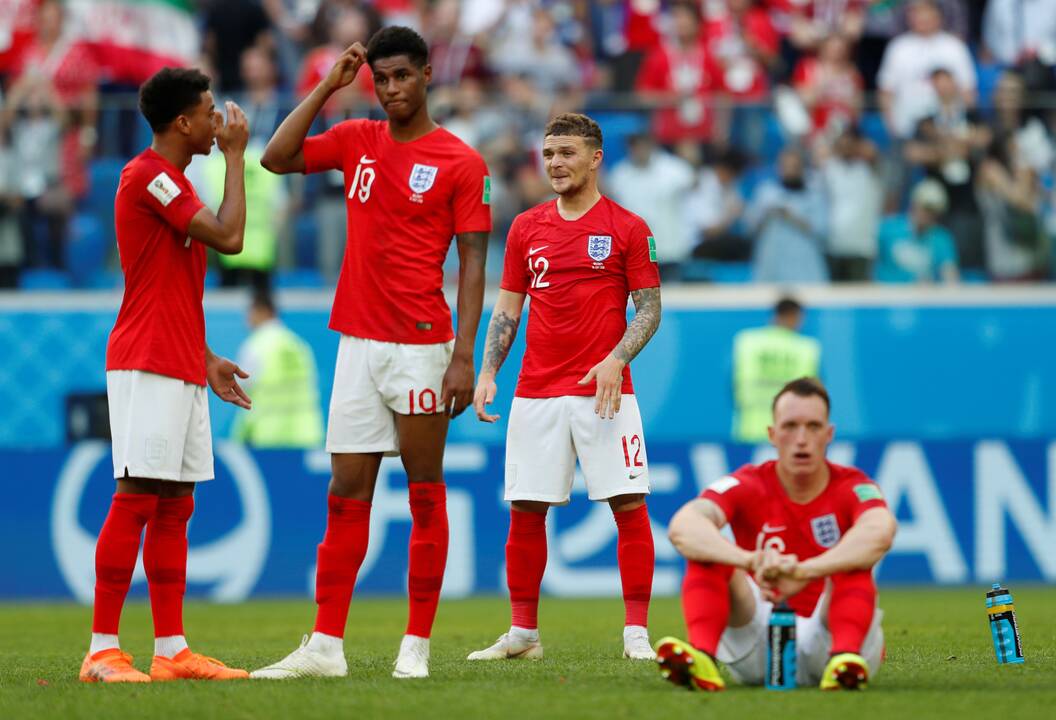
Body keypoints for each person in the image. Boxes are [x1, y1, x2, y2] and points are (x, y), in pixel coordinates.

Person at [251, 26, 491, 680]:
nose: (389, 90)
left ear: (425, 76)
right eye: (379, 79)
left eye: (401, 77)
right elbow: (274, 157)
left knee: (423, 492)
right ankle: (325, 645)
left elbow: (473, 264)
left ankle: (415, 644)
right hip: (358, 343)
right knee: (345, 493)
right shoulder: (357, 138)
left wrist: (464, 353)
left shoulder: (462, 163)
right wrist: (328, 86)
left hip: (421, 347)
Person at [466, 112, 662, 663]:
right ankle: (523, 634)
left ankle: (636, 634)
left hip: (607, 394)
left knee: (628, 505)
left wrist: (615, 358)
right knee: (526, 510)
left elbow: (649, 310)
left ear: (595, 158)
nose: (555, 163)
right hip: (537, 392)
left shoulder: (629, 227)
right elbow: (508, 306)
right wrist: (488, 373)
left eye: (567, 153)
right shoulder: (527, 227)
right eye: (549, 153)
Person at [80, 67, 253, 683]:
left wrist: (205, 359)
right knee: (136, 499)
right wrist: (237, 157)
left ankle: (172, 651)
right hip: (145, 359)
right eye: (208, 113)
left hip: (179, 360)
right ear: (183, 122)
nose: (217, 122)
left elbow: (171, 287)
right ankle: (101, 650)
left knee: (176, 504)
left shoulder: (173, 183)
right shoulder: (146, 174)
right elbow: (232, 236)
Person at [655, 377, 897, 691]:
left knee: (855, 558)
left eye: (813, 427)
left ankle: (845, 659)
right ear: (772, 434)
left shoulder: (854, 486)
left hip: (829, 641)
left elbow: (880, 532)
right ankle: (702, 658)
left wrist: (807, 571)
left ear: (829, 434)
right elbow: (684, 526)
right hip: (758, 641)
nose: (801, 439)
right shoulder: (747, 484)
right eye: (790, 426)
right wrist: (750, 560)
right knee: (707, 551)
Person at [231, 288, 324, 448]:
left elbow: (239, 388)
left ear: (262, 311)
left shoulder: (256, 345)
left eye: (250, 311)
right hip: (305, 435)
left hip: (267, 436)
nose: (247, 318)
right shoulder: (297, 345)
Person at [607, 132, 695, 279]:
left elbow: (694, 184)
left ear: (651, 146)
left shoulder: (673, 168)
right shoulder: (620, 174)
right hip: (636, 252)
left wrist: (691, 160)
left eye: (643, 146)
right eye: (635, 147)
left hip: (670, 248)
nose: (640, 150)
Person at [732, 298, 820, 443]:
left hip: (749, 432)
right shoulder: (807, 348)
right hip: (791, 436)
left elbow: (732, 386)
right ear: (795, 316)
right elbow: (814, 395)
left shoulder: (747, 342)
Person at [746, 147, 828, 284]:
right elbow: (750, 226)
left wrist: (791, 216)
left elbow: (822, 230)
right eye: (785, 166)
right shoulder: (766, 193)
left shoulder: (814, 196)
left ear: (802, 168)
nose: (789, 171)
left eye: (794, 167)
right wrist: (767, 213)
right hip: (772, 264)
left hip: (804, 265)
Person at [875, 179, 959, 283]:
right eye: (926, 208)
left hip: (922, 296)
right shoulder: (888, 229)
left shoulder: (942, 238)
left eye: (934, 211)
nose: (929, 215)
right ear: (914, 204)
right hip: (886, 294)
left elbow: (950, 275)